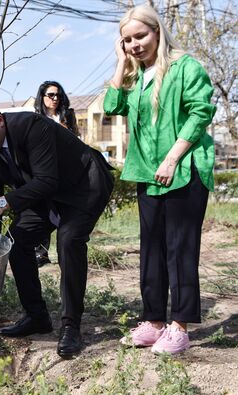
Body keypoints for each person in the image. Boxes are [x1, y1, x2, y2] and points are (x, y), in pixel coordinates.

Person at [0, 99, 113, 358]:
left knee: (69, 240)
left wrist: (4, 202)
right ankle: (37, 317)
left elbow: (46, 180)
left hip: (83, 186)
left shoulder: (31, 126)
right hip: (45, 196)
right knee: (16, 243)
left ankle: (71, 327)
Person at [104, 4, 216, 355]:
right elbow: (112, 106)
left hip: (183, 168)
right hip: (147, 172)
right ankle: (153, 322)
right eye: (127, 40)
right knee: (151, 250)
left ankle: (179, 328)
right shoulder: (137, 76)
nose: (135, 44)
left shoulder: (186, 67)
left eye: (141, 36)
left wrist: (172, 157)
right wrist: (121, 64)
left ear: (158, 32)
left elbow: (200, 114)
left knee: (179, 249)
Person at [33, 80, 80, 267]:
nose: (55, 98)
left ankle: (65, 253)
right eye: (51, 95)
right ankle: (41, 252)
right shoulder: (36, 118)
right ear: (42, 97)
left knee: (64, 214)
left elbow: (76, 139)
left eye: (58, 95)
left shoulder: (67, 115)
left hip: (66, 170)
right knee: (44, 210)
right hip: (45, 169)